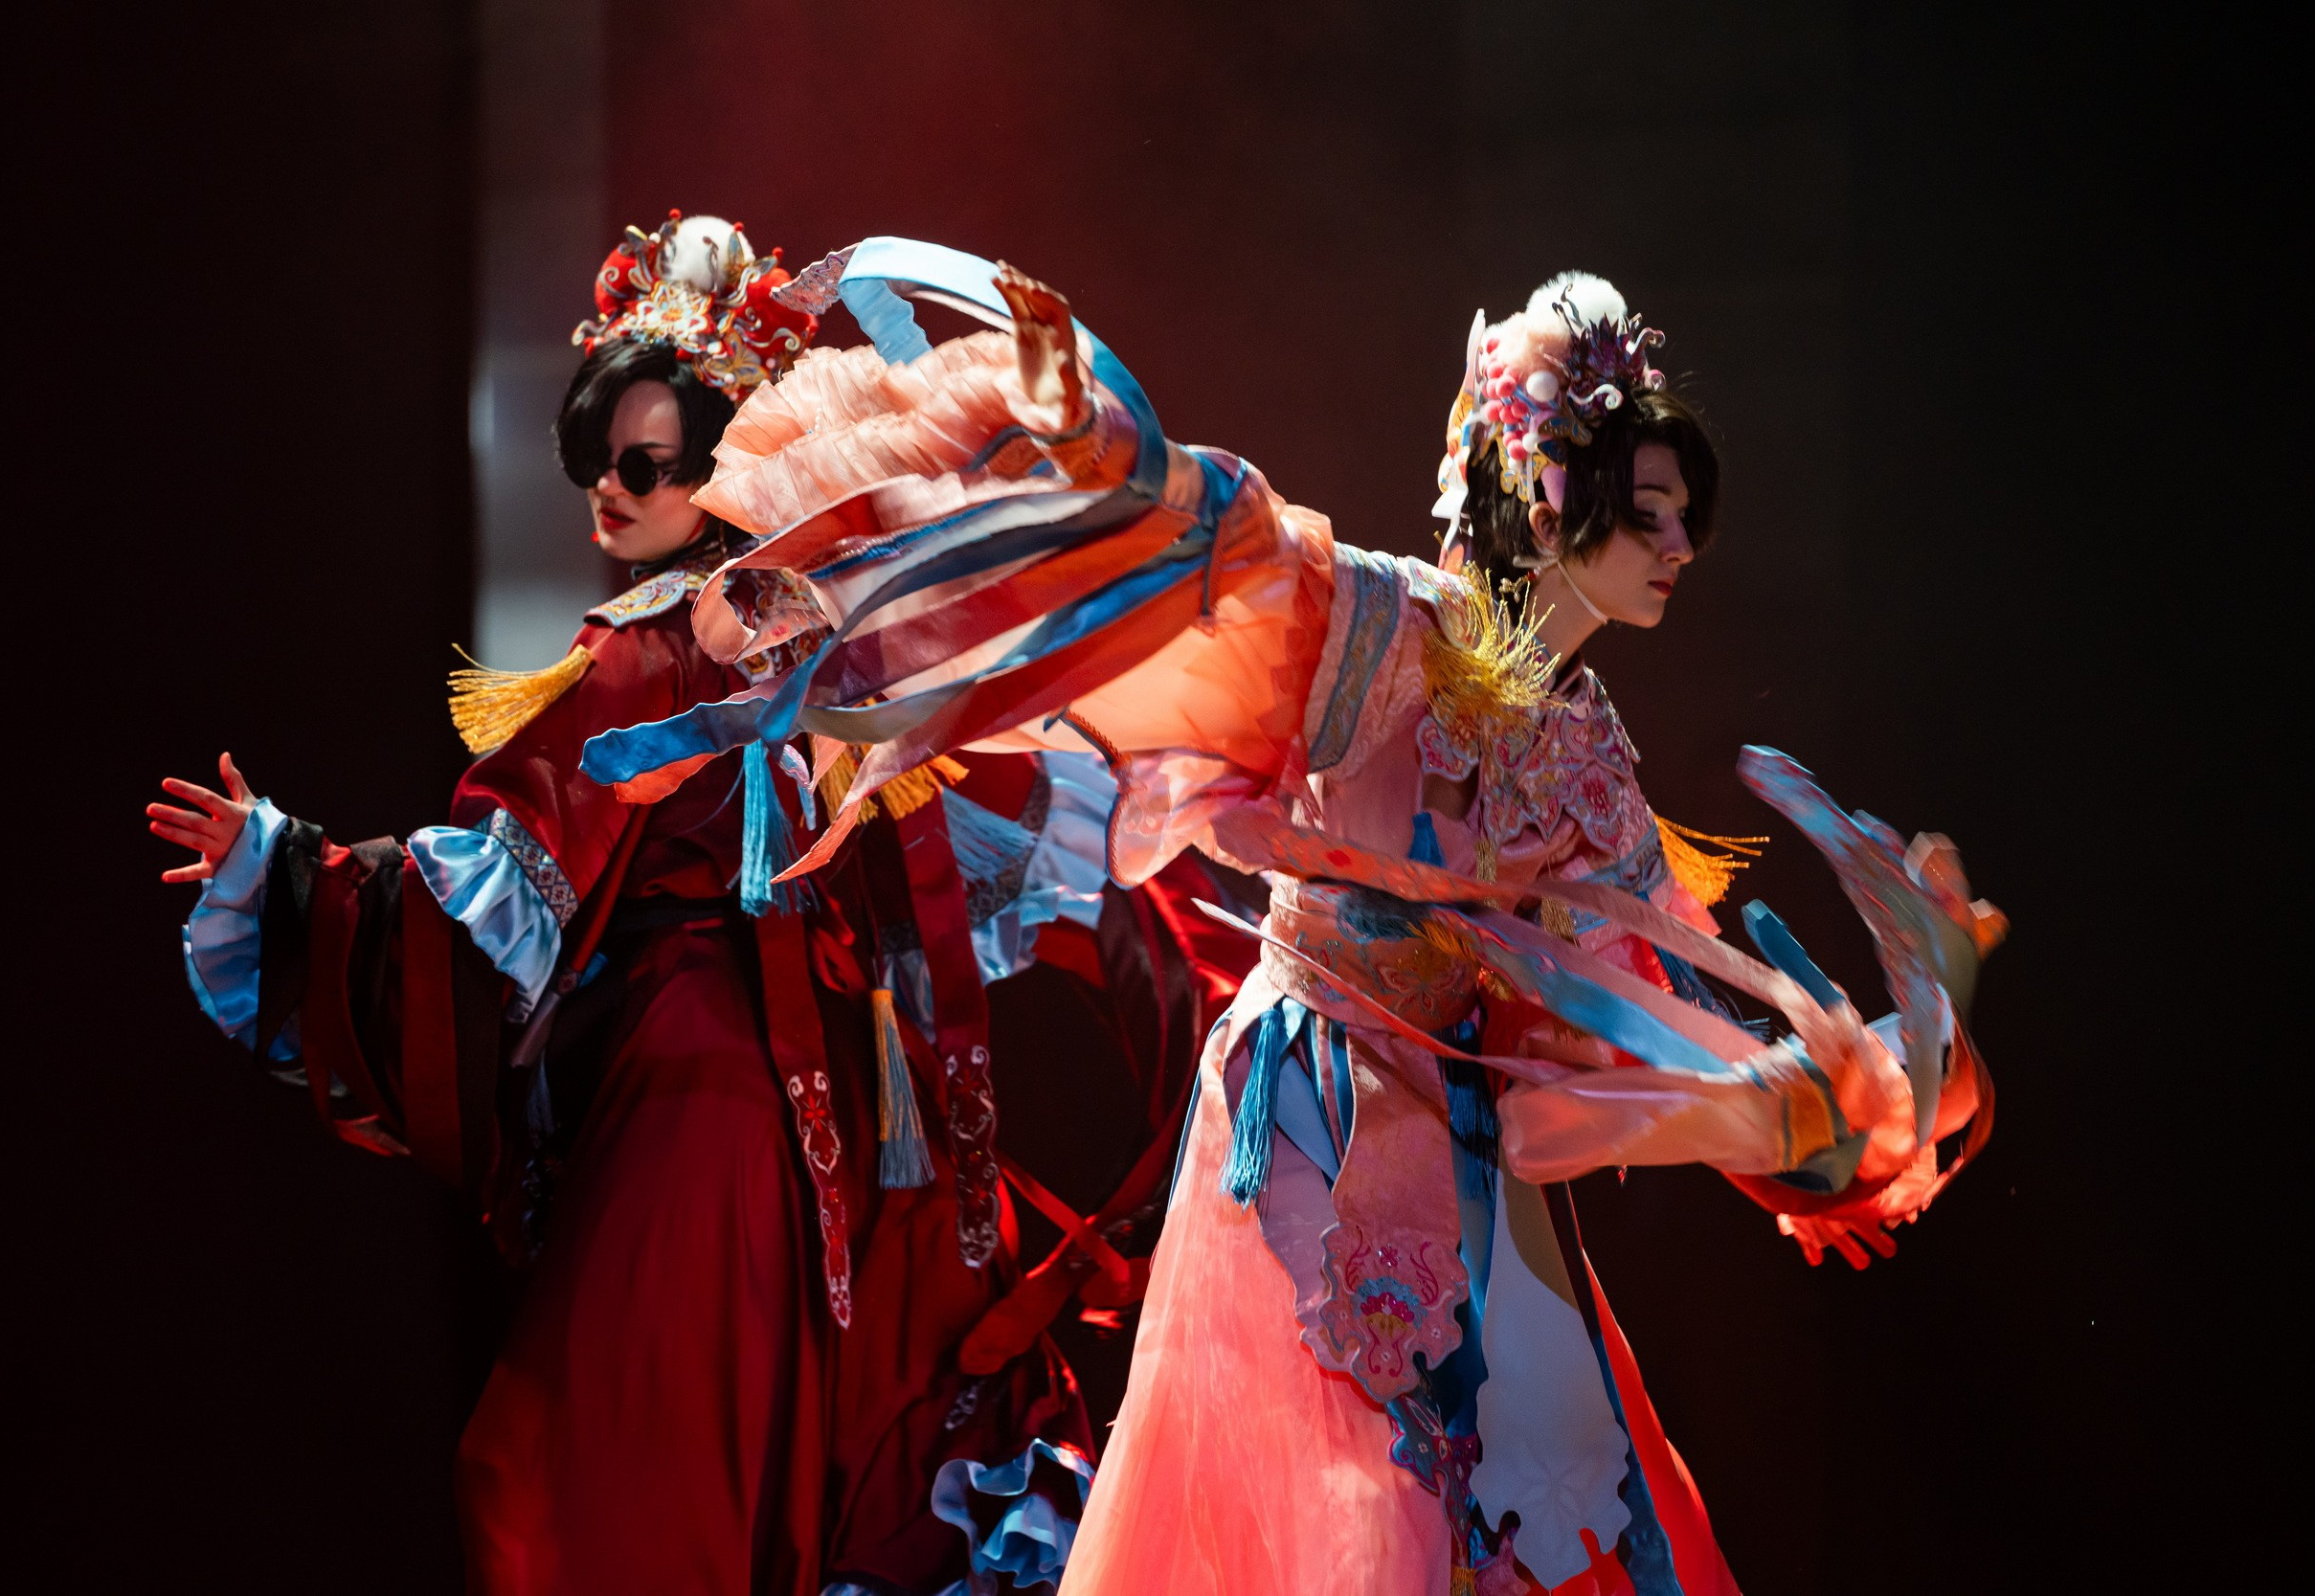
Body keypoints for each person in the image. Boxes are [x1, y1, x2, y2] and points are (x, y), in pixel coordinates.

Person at [579, 237, 2004, 1595]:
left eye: (1687, 511)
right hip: (1318, 1116)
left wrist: (1881, 1048)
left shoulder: (1594, 756)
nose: (1680, 542)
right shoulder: (1383, 627)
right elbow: (1186, 600)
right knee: (1356, 1507)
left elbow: (1633, 1029)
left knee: (1554, 1490)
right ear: (1539, 493)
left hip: (1481, 1150)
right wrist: (1087, 470)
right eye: (1645, 510)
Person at [149, 214, 1226, 1595]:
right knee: (648, 1456)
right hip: (716, 1102)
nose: (610, 490)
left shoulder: (826, 632)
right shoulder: (652, 647)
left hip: (849, 1102)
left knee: (828, 1440)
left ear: (726, 458)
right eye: (597, 462)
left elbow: (1017, 817)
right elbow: (512, 859)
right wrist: (296, 871)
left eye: (644, 463)